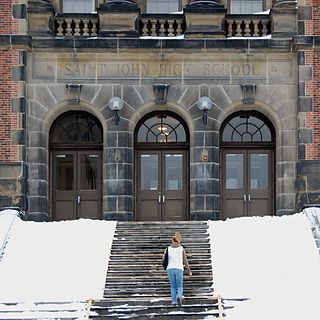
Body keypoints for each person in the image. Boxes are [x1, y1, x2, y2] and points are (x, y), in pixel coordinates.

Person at [163, 231, 192, 306]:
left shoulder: (168, 248)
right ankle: (179, 295)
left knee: (173, 286)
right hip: (179, 268)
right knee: (179, 286)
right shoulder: (181, 248)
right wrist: (189, 270)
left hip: (170, 269)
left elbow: (163, 259)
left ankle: (174, 302)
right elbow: (185, 261)